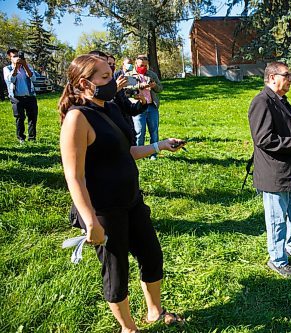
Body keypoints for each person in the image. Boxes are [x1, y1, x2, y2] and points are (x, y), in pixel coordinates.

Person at [59, 54, 186, 333]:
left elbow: (125, 151)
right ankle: (128, 329)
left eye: (110, 73)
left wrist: (159, 145)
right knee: (117, 272)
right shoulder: (77, 119)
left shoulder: (111, 107)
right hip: (104, 210)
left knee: (152, 255)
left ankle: (155, 312)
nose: (112, 81)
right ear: (84, 83)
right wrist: (90, 221)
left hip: (131, 200)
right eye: (104, 77)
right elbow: (74, 176)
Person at [248, 61, 291, 278]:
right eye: (287, 75)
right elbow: (263, 139)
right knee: (276, 220)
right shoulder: (261, 102)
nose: (290, 80)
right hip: (275, 173)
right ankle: (277, 260)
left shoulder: (281, 100)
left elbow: (290, 130)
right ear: (272, 77)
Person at [130, 54, 163, 159]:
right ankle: (139, 153)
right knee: (139, 131)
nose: (143, 67)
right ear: (136, 63)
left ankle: (153, 154)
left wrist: (154, 86)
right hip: (138, 107)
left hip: (152, 106)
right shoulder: (131, 75)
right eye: (141, 65)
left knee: (154, 131)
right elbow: (127, 90)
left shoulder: (152, 74)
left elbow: (160, 88)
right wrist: (139, 86)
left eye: (145, 65)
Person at [3, 48, 38, 143]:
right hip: (16, 97)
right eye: (14, 56)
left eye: (18, 56)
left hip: (30, 96)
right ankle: (21, 138)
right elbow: (11, 79)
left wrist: (25, 65)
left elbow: (33, 78)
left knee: (32, 117)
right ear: (10, 58)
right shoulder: (7, 69)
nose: (17, 58)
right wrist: (15, 67)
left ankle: (32, 138)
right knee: (20, 117)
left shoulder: (27, 66)